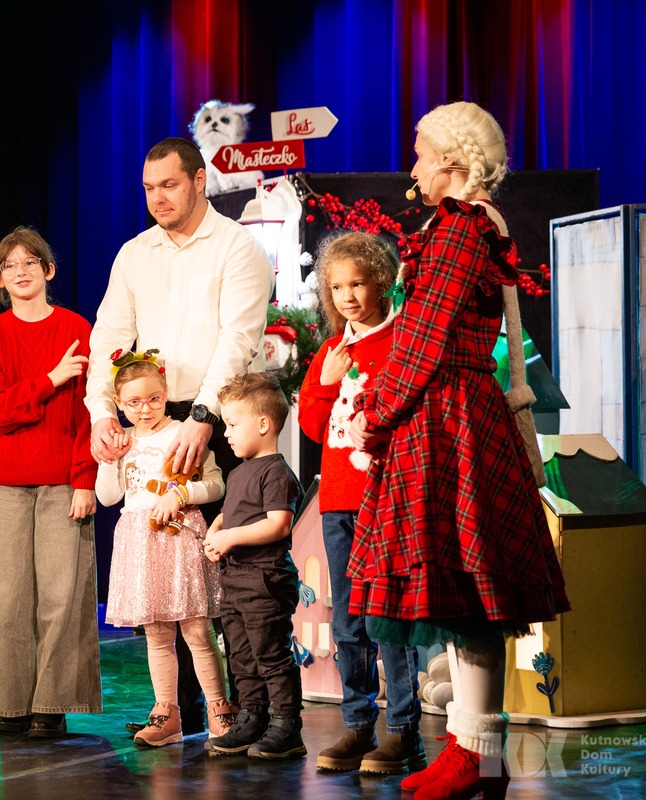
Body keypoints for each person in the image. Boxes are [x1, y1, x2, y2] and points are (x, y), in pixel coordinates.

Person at [348, 101, 570, 800]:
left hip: (448, 416)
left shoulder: (460, 228)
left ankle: (478, 752)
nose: (413, 166)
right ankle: (475, 748)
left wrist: (376, 412)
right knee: (463, 590)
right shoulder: (473, 226)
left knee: (468, 589)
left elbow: (423, 339)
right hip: (453, 410)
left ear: (450, 158)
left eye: (420, 152)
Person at [86, 136, 274, 734]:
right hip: (149, 415)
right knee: (167, 583)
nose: (157, 198)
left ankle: (242, 708)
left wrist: (203, 416)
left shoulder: (236, 246)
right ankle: (178, 709)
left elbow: (238, 338)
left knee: (225, 575)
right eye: (148, 188)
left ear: (198, 181)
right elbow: (108, 336)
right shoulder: (135, 253)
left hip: (216, 417)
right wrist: (101, 413)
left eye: (168, 184)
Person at [297, 232, 425, 774]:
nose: (347, 296)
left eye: (358, 284)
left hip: (386, 500)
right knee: (348, 619)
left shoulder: (403, 342)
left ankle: (404, 732)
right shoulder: (331, 352)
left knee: (387, 615)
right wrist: (326, 384)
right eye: (336, 287)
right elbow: (311, 425)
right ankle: (357, 726)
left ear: (382, 282)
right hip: (338, 502)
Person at [0, 226, 101, 739]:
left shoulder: (76, 329)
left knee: (62, 596)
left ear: (49, 270)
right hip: (10, 480)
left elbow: (89, 413)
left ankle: (53, 702)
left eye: (30, 262)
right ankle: (15, 703)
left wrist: (86, 479)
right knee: (13, 599)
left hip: (64, 480)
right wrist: (50, 379)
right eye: (9, 265)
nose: (20, 271)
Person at [95, 356, 234, 748]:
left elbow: (216, 484)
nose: (145, 409)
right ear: (119, 403)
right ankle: (166, 713)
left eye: (153, 399)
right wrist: (109, 460)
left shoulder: (182, 433)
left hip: (179, 539)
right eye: (134, 402)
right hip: (139, 543)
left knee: (197, 630)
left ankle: (219, 710)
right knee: (156, 635)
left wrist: (182, 494)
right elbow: (108, 496)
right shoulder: (123, 441)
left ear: (166, 394)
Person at [201, 373, 306, 759]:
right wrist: (217, 529)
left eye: (232, 424)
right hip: (236, 579)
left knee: (270, 654)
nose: (226, 433)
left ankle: (287, 724)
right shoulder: (238, 470)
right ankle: (252, 716)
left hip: (265, 579)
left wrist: (230, 537)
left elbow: (277, 524)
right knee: (241, 654)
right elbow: (232, 513)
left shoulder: (276, 472)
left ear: (263, 424)